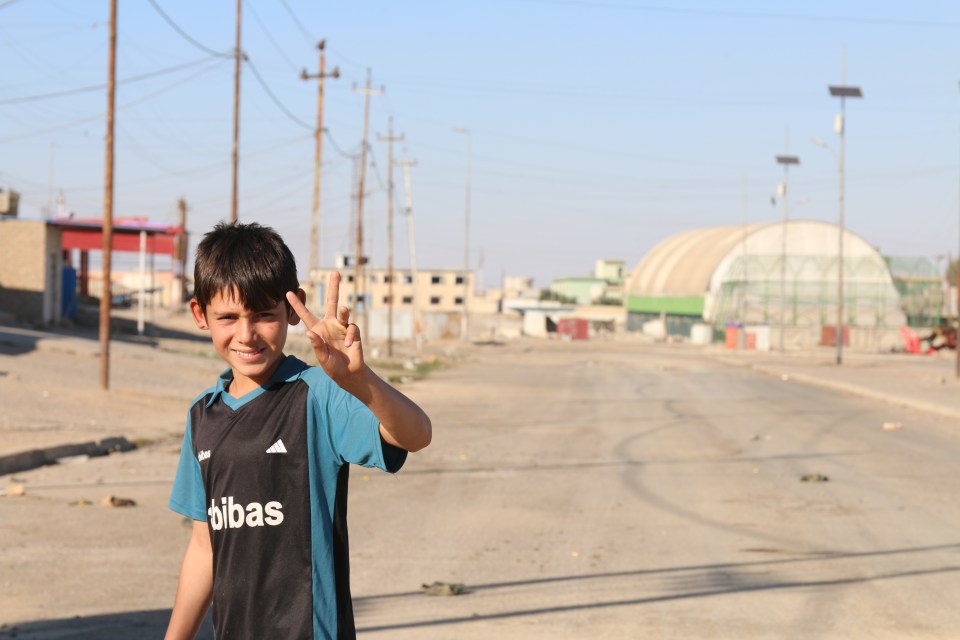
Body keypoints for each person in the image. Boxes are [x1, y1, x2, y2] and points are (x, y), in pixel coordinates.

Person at [164, 221, 432, 640]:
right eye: (228, 318)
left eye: (264, 316)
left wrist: (361, 381)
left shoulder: (319, 395)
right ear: (201, 314)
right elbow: (204, 547)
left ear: (293, 309)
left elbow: (416, 435)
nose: (246, 334)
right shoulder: (204, 415)